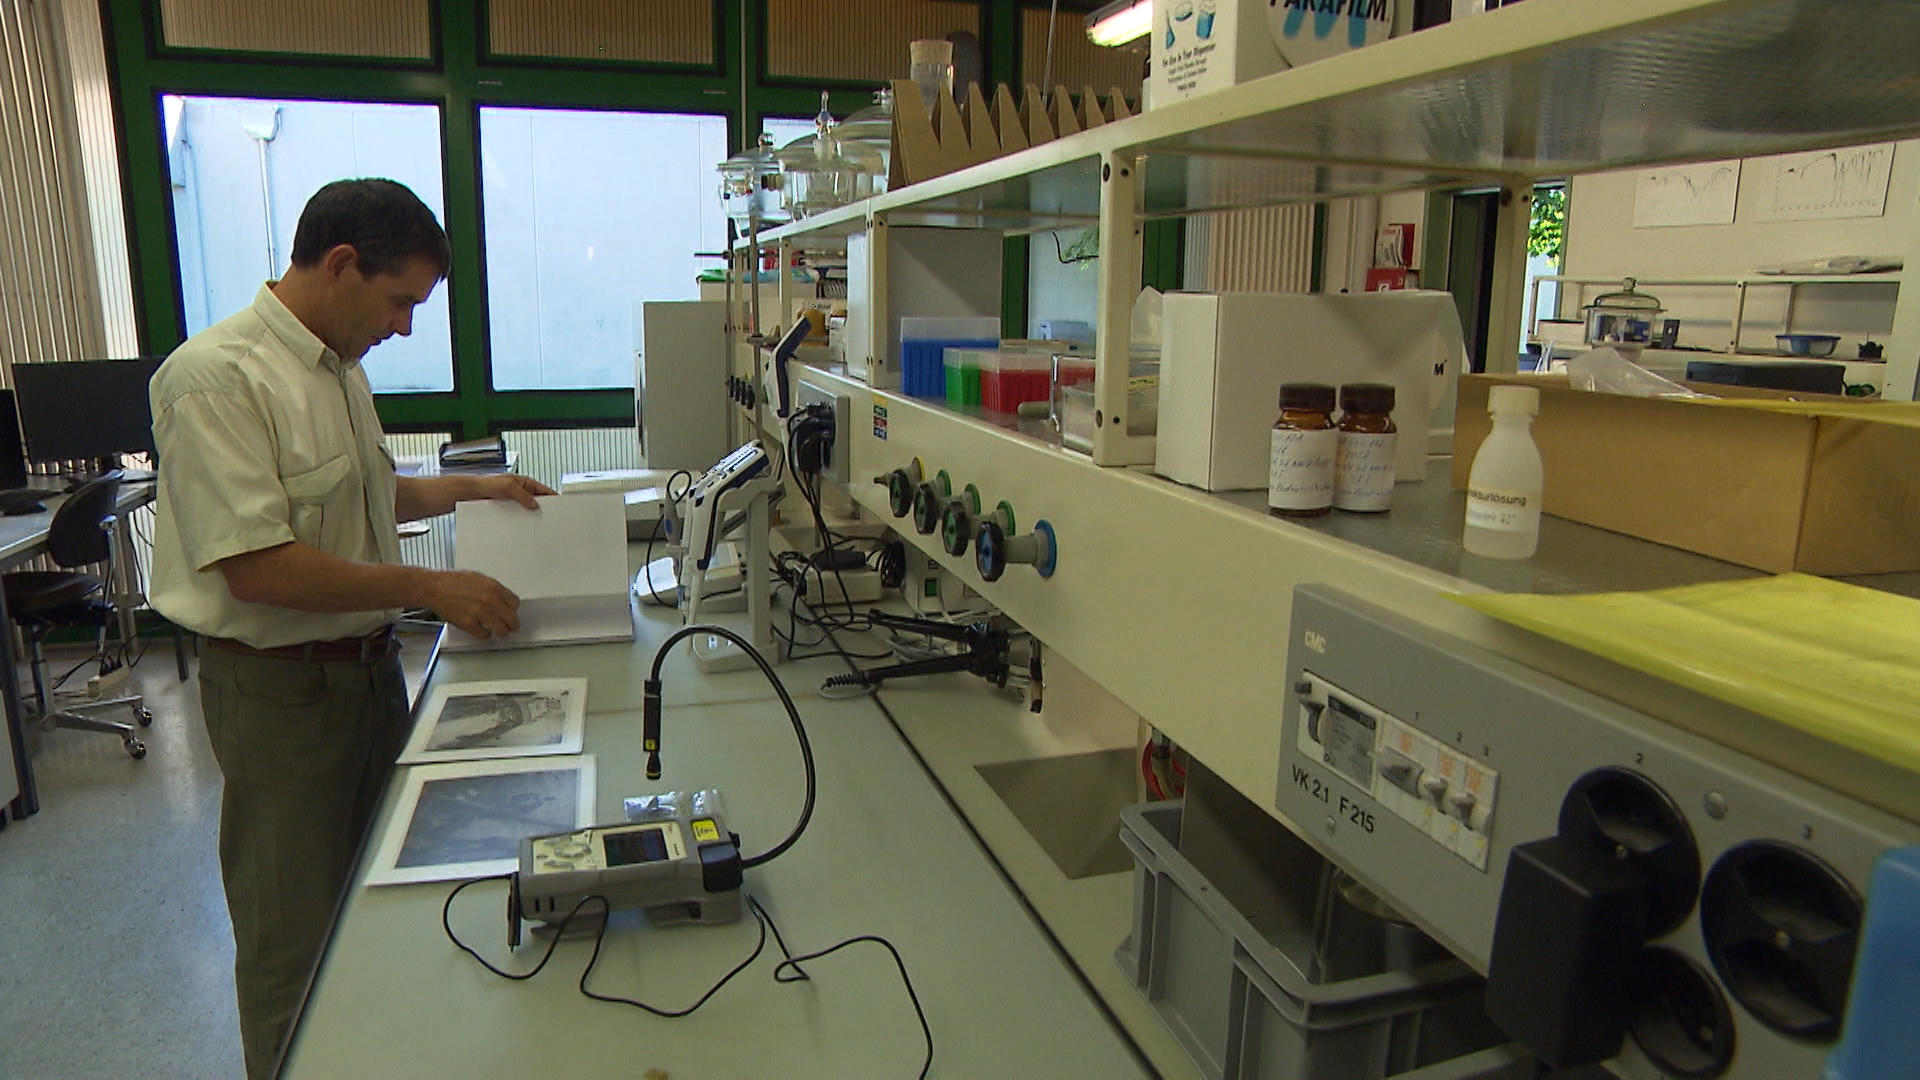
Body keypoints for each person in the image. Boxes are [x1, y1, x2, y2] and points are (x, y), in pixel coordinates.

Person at [147, 177, 554, 1079]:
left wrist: (476, 489)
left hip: (370, 679)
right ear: (340, 265)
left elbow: (363, 497)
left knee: (380, 901)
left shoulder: (338, 368)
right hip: (281, 696)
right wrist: (432, 589)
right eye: (400, 300)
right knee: (293, 942)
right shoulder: (216, 379)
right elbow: (258, 564)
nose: (405, 326)